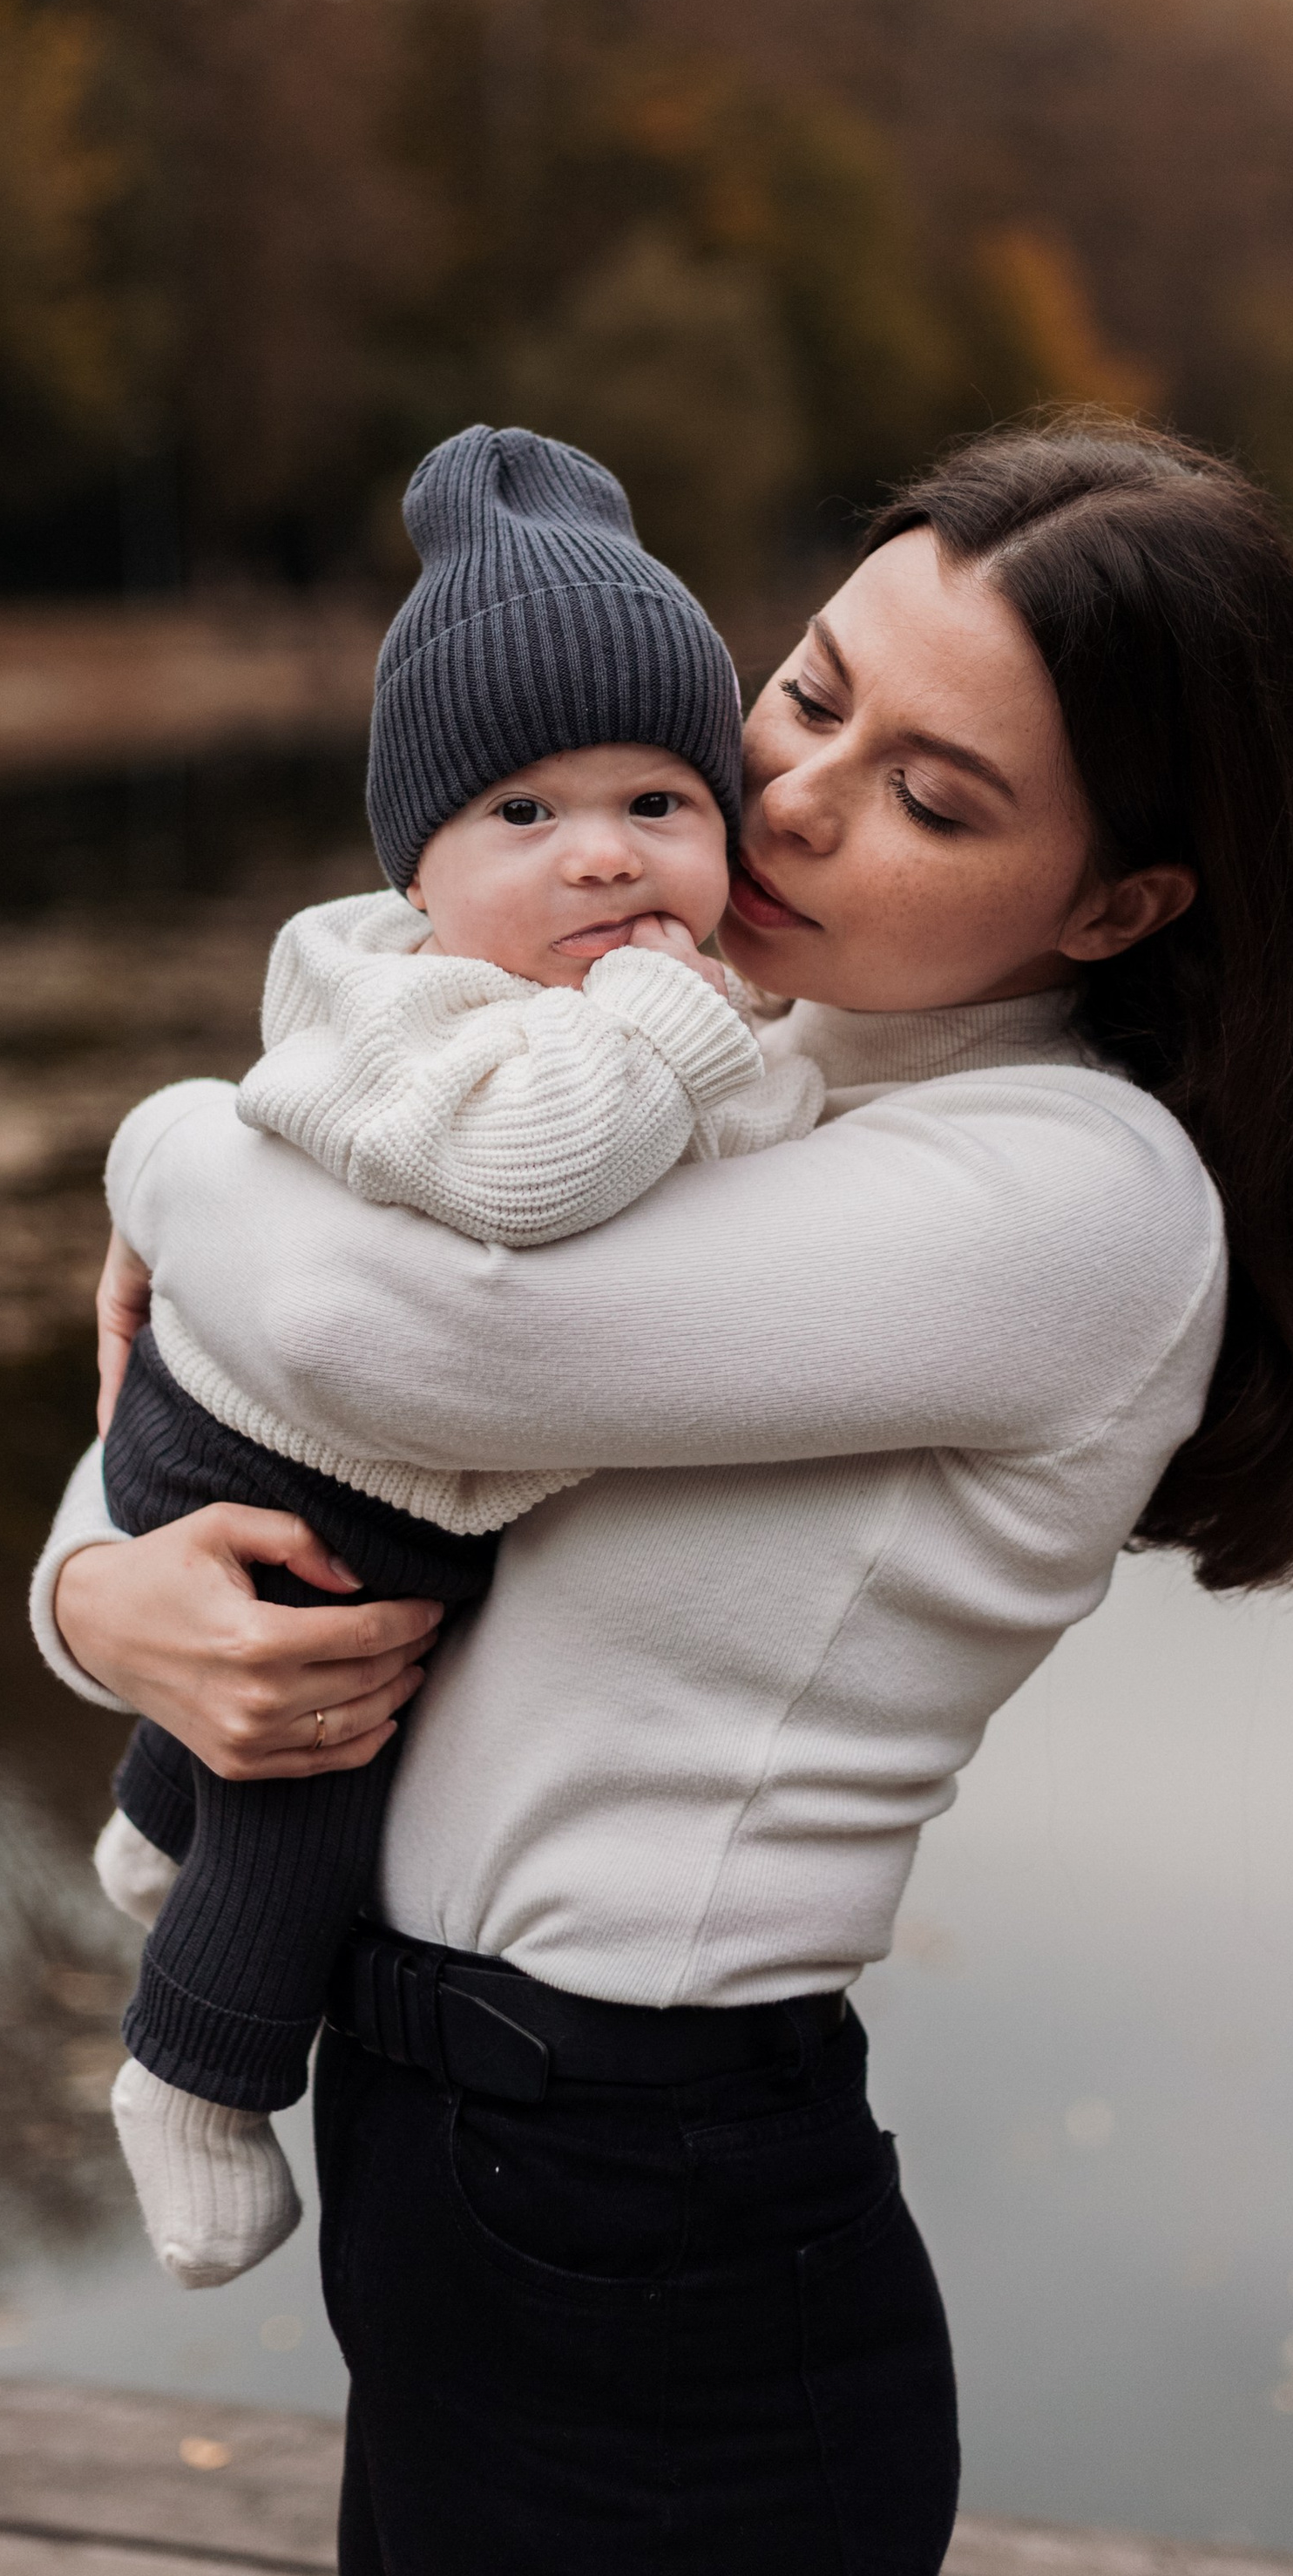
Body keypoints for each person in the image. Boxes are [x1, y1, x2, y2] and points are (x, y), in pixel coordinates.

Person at [35, 413, 1293, 2576]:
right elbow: (248, 1408)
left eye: (933, 799)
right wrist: (101, 1605)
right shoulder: (703, 1056)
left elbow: (386, 1338)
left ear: (1118, 906)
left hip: (640, 2189)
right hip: (443, 2144)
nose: (790, 801)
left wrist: (165, 1142)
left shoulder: (1068, 1196)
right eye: (806, 693)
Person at [93, 424, 823, 2285]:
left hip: (314, 1427)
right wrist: (677, 1007)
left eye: (658, 801)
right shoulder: (418, 1012)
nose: (603, 853)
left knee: (293, 1707)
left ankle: (151, 1820)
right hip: (268, 1454)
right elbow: (532, 1176)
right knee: (321, 1768)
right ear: (418, 871)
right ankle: (192, 2070)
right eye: (523, 816)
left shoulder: (596, 995)